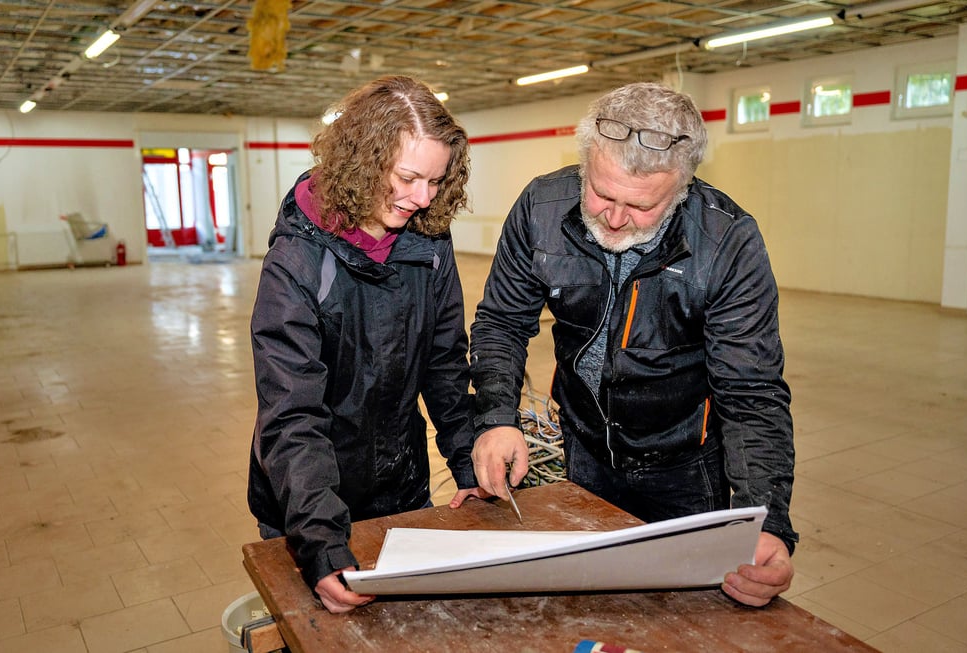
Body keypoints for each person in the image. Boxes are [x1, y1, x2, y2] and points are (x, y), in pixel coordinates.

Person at [469, 81, 798, 607]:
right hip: (584, 449)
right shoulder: (541, 208)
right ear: (584, 164)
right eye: (601, 194)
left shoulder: (727, 243)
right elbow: (502, 322)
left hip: (685, 465)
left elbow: (751, 394)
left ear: (683, 187)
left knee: (686, 614)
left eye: (641, 205)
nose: (615, 218)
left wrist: (768, 522)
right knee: (586, 602)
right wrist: (496, 419)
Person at [247, 75, 483, 614]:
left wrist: (468, 463)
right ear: (362, 162)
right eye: (408, 177)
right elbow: (291, 415)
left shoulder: (429, 241)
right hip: (306, 505)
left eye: (435, 180)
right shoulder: (296, 263)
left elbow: (444, 361)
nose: (423, 198)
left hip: (401, 486)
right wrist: (321, 545)